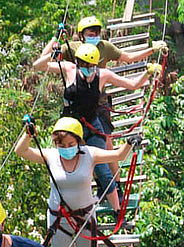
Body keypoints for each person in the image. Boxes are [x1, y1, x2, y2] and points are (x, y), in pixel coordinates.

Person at [14, 116, 142, 247]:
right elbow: (21, 151)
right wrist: (28, 134)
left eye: (71, 144)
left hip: (84, 218)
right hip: (59, 220)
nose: (66, 148)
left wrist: (129, 142)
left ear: (79, 141)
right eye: (61, 144)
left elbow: (117, 154)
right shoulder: (51, 156)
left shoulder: (89, 154)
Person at [33, 42, 160, 221]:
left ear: (96, 64)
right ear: (77, 62)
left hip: (91, 126)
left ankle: (117, 210)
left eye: (90, 65)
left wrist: (148, 72)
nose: (86, 68)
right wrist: (52, 54)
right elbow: (38, 66)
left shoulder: (103, 75)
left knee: (102, 169)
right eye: (83, 64)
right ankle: (69, 209)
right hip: (69, 128)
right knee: (64, 166)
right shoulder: (69, 69)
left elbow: (132, 85)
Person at [59, 15, 167, 199]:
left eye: (97, 32)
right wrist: (56, 39)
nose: (94, 35)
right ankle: (101, 184)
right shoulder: (70, 49)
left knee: (105, 143)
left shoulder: (104, 47)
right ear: (81, 34)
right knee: (82, 149)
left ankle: (115, 185)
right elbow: (53, 62)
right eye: (90, 33)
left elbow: (128, 57)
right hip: (76, 105)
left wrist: (152, 50)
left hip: (98, 102)